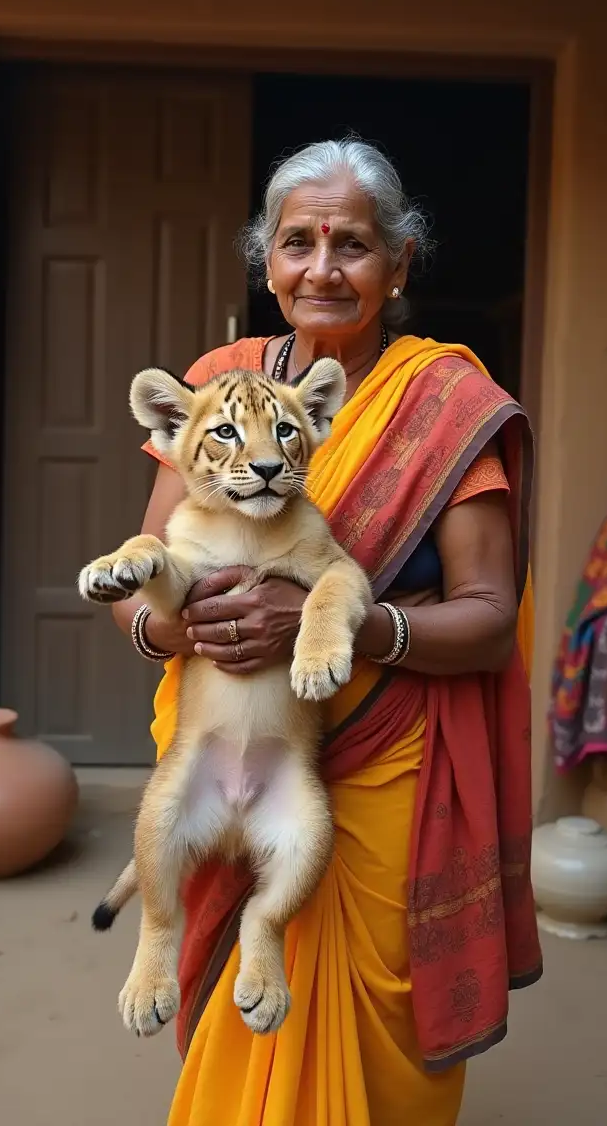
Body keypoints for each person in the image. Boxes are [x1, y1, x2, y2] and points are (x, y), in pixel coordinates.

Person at [111, 138, 542, 1126]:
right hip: (226, 751)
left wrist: (332, 623)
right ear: (265, 259)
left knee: (371, 1029)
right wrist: (175, 632)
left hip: (385, 771)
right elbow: (139, 588)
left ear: (399, 262)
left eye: (351, 243)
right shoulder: (216, 382)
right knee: (237, 998)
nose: (321, 268)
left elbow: (483, 619)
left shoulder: (444, 401)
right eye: (296, 241)